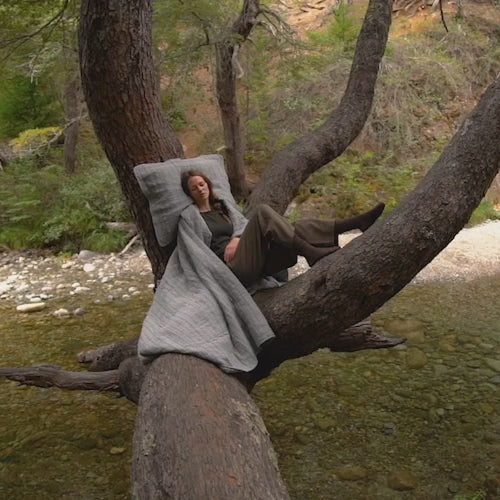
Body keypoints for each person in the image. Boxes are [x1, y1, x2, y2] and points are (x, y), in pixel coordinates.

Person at [181, 170, 385, 287]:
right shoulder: (192, 217)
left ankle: (355, 223)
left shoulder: (224, 207)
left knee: (297, 227)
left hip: (254, 260)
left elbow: (242, 227)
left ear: (207, 184)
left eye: (201, 184)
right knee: (262, 212)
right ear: (189, 193)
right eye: (194, 188)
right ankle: (310, 252)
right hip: (232, 269)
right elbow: (196, 252)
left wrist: (237, 238)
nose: (200, 189)